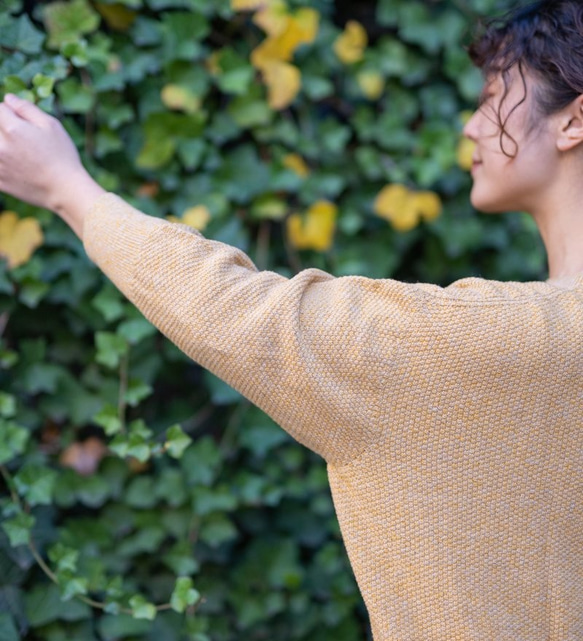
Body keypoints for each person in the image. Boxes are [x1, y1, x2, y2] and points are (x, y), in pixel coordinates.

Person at [1, 0, 582, 638]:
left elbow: (241, 314)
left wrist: (67, 189)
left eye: (494, 95)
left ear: (572, 120)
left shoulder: (507, 342)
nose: (471, 127)